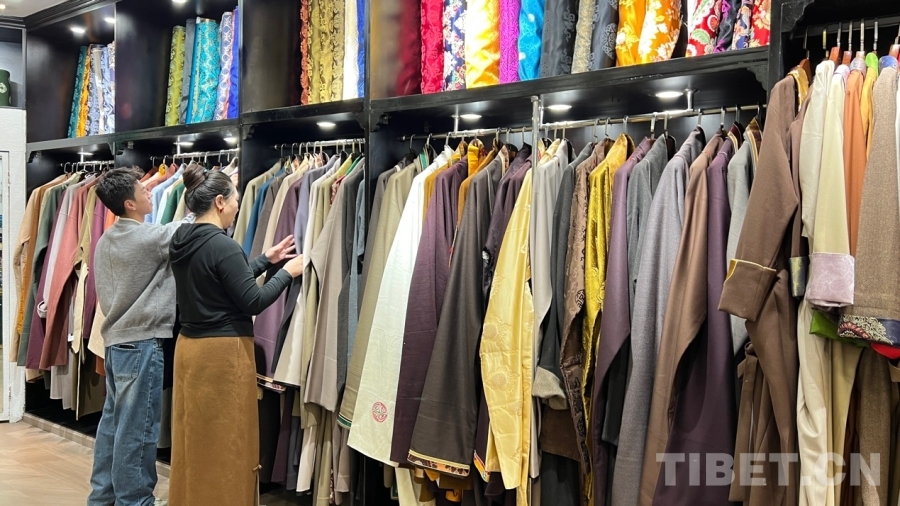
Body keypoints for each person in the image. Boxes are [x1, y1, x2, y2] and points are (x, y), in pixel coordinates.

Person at [168, 164, 303, 505]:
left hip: (190, 351)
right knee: (228, 441)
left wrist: (263, 260)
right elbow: (252, 300)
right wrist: (286, 273)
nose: (237, 208)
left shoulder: (181, 239)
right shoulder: (223, 245)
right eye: (235, 201)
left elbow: (216, 279)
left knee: (195, 439)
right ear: (219, 202)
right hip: (223, 355)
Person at [87, 168, 193, 506]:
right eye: (142, 189)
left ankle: (103, 497)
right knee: (139, 429)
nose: (149, 191)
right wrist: (202, 194)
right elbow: (187, 227)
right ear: (129, 204)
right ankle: (134, 501)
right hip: (142, 343)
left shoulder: (108, 238)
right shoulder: (148, 238)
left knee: (113, 426)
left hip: (117, 344)